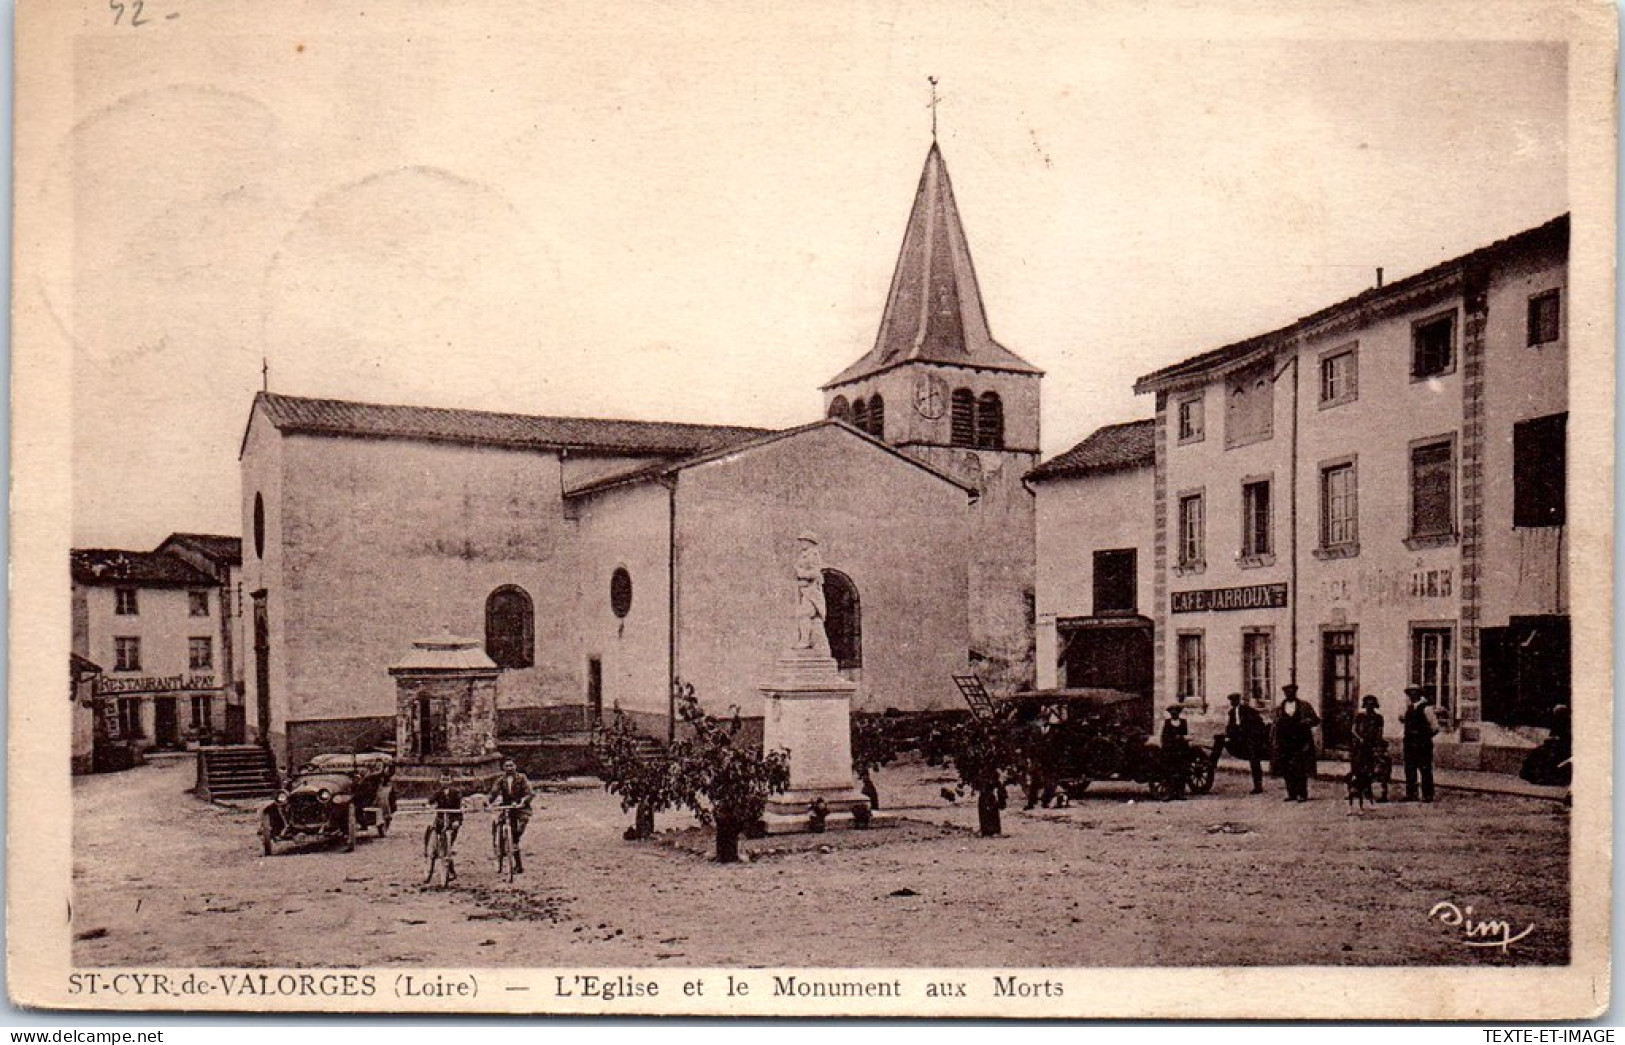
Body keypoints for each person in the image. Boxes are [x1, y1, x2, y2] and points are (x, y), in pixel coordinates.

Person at [1273, 684, 1320, 802]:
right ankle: (1291, 793)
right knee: (1286, 768)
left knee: (1300, 768)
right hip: (1285, 741)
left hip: (1301, 741)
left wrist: (1307, 721)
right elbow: (1274, 724)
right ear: (1284, 694)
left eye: (1292, 692)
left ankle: (1302, 794)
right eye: (1287, 692)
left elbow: (1315, 720)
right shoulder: (1279, 708)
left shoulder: (1304, 706)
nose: (1289, 694)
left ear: (1295, 693)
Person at [488, 758, 535, 873]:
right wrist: (489, 802)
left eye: (511, 766)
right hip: (507, 807)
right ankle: (500, 849)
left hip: (520, 808)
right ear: (503, 768)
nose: (509, 768)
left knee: (519, 827)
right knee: (499, 824)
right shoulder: (501, 780)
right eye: (506, 766)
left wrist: (523, 801)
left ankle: (517, 862)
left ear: (515, 766)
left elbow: (530, 793)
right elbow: (494, 792)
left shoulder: (522, 778)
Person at [1218, 692, 1268, 794]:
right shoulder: (1231, 712)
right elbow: (1230, 726)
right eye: (1231, 701)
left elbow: (1258, 724)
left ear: (1238, 700)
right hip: (1239, 739)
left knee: (1254, 761)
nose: (1233, 702)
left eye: (1235, 700)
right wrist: (1229, 735)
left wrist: (1254, 735)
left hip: (1251, 739)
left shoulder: (1248, 710)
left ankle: (1258, 786)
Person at [1401, 685, 1440, 803]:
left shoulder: (1427, 708)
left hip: (1422, 744)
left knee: (1425, 768)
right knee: (1409, 769)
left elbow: (1435, 727)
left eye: (1414, 693)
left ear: (1419, 694)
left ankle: (1427, 795)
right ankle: (1411, 794)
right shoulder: (1409, 708)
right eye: (1410, 694)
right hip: (1409, 743)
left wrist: (1424, 738)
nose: (1412, 696)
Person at [425, 768, 464, 883]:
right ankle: (428, 852)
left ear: (451, 781)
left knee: (448, 846)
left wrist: (457, 821)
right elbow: (431, 800)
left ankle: (450, 870)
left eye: (447, 779)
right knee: (431, 832)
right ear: (440, 781)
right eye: (443, 779)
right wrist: (427, 804)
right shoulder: (438, 793)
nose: (445, 782)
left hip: (453, 820)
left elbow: (460, 807)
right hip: (441, 820)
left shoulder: (456, 793)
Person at [1350, 695, 1388, 803]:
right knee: (1358, 767)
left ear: (1375, 705)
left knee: (1370, 769)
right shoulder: (1360, 716)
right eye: (1367, 704)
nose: (1369, 707)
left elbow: (1380, 731)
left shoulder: (1378, 718)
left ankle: (1368, 790)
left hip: (1371, 745)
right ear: (1364, 705)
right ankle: (1357, 790)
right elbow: (1353, 730)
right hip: (1360, 745)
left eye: (1372, 704)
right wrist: (1360, 738)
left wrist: (1377, 742)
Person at [1159, 703, 1190, 801]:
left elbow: (1186, 735)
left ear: (1179, 713)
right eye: (1172, 713)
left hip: (1181, 751)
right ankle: (1169, 793)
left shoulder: (1183, 722)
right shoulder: (1166, 723)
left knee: (1181, 772)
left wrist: (1182, 738)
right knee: (1169, 772)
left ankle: (1180, 793)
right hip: (1170, 751)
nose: (1174, 714)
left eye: (1176, 713)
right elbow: (1163, 737)